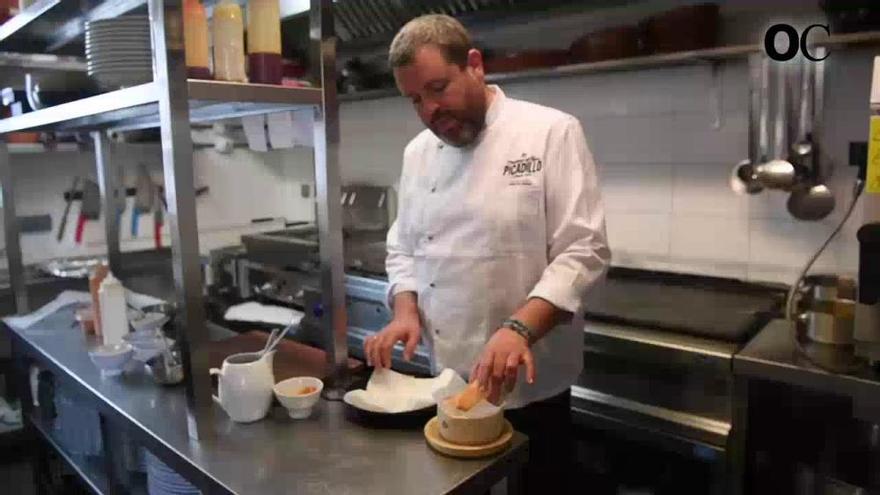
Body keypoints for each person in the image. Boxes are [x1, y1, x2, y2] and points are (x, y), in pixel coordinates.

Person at [363, 14, 611, 494]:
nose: (431, 110)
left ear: (474, 64)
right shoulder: (418, 153)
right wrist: (405, 308)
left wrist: (519, 328)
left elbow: (584, 250)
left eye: (439, 88)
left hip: (533, 386)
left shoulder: (549, 132)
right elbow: (404, 244)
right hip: (450, 377)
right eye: (416, 99)